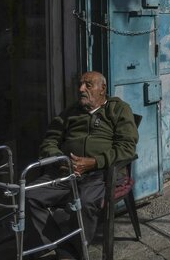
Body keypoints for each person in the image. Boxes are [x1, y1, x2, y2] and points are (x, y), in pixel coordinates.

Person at [25, 71, 139, 259]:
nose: (81, 89)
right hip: (65, 172)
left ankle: (74, 252)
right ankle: (62, 247)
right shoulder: (71, 112)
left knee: (85, 203)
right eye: (80, 85)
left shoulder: (118, 109)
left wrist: (94, 162)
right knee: (30, 195)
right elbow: (49, 140)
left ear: (103, 89)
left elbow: (127, 148)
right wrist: (59, 159)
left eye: (88, 85)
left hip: (101, 174)